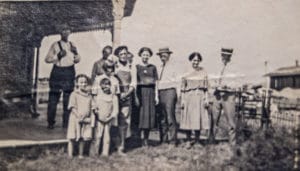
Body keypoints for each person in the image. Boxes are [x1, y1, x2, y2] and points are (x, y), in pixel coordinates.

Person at [45, 24, 81, 129]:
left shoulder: (72, 44)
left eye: (67, 30)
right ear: (60, 32)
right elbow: (47, 59)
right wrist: (58, 56)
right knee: (53, 98)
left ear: (70, 32)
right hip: (57, 72)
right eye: (63, 30)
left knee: (68, 99)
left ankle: (66, 123)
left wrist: (76, 53)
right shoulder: (55, 44)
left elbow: (77, 60)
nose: (65, 32)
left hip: (69, 72)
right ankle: (50, 122)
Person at [180, 52, 210, 149]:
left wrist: (206, 99)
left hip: (200, 96)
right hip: (189, 96)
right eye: (194, 60)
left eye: (197, 60)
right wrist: (183, 100)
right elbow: (182, 87)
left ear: (199, 61)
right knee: (188, 119)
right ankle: (188, 141)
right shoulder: (186, 72)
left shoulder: (203, 71)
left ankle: (197, 141)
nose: (195, 62)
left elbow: (206, 88)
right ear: (191, 61)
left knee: (198, 118)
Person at [114, 45, 137, 155]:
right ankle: (112, 144)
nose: (123, 56)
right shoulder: (114, 66)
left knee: (124, 121)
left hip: (126, 97)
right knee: (114, 119)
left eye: (125, 53)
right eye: (121, 54)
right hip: (115, 96)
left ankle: (121, 146)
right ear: (118, 56)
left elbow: (133, 84)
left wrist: (126, 94)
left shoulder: (131, 67)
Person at [67, 74, 94, 159]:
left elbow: (92, 106)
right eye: (81, 82)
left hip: (85, 119)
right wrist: (78, 115)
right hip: (75, 118)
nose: (83, 84)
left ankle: (80, 154)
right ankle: (70, 155)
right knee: (72, 137)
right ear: (77, 83)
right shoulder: (74, 94)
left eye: (85, 82)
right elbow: (72, 106)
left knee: (82, 137)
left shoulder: (89, 95)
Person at [136, 47, 159, 146]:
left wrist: (156, 96)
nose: (145, 56)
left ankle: (146, 139)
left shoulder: (153, 67)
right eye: (143, 54)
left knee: (149, 116)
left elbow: (156, 82)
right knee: (140, 116)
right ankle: (137, 139)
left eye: (147, 55)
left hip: (150, 92)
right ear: (140, 55)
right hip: (140, 92)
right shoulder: (137, 67)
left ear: (149, 56)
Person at [156, 47, 179, 146]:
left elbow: (177, 82)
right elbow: (157, 82)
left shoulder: (173, 66)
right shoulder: (159, 67)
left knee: (170, 117)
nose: (163, 57)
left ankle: (173, 140)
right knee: (162, 117)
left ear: (169, 55)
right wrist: (156, 95)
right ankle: (163, 140)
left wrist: (177, 95)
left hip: (170, 91)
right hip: (161, 92)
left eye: (165, 54)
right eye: (161, 55)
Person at [91, 78, 119, 156]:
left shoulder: (114, 97)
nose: (105, 87)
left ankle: (105, 153)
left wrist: (109, 118)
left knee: (107, 136)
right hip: (99, 119)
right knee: (98, 136)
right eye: (103, 85)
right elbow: (94, 107)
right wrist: (98, 115)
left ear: (110, 85)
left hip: (108, 120)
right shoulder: (98, 96)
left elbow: (115, 110)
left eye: (107, 85)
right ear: (100, 86)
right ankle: (94, 153)